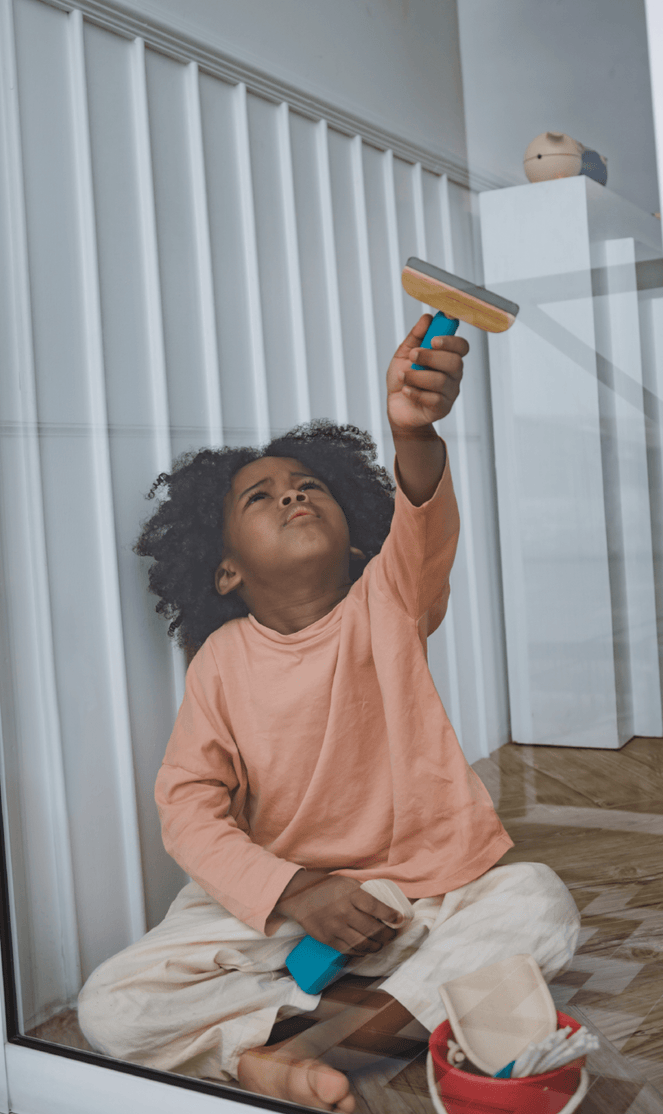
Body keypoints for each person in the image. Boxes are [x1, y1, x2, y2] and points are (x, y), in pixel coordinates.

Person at [78, 316, 580, 1112]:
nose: (294, 494)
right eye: (262, 496)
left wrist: (412, 433)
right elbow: (187, 807)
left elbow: (424, 523)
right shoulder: (221, 664)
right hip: (282, 913)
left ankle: (319, 1045)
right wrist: (294, 890)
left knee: (539, 902)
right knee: (111, 1002)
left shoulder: (389, 600)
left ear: (358, 544)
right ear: (225, 572)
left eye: (308, 486)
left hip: (417, 900)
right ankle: (347, 1031)